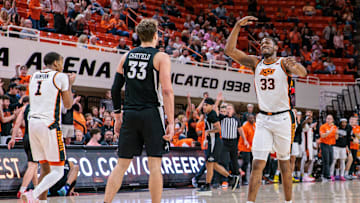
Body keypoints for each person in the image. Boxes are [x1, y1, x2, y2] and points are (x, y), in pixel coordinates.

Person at [225, 16, 307, 203]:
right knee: (257, 164)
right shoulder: (256, 63)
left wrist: (295, 65)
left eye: (268, 43)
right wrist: (237, 25)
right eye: (261, 43)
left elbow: (303, 73)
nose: (263, 45)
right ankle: (250, 201)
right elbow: (229, 50)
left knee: (285, 164)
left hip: (284, 119)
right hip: (263, 119)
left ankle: (288, 201)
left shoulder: (283, 63)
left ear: (276, 48)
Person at [103, 19, 174, 203]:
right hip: (151, 113)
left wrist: (117, 116)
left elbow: (115, 89)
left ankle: (106, 202)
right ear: (156, 35)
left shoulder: (126, 56)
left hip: (130, 114)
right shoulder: (161, 57)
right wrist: (171, 122)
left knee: (121, 165)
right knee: (155, 164)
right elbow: (166, 90)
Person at [21, 52, 75, 202]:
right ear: (57, 63)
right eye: (62, 61)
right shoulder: (60, 76)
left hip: (32, 124)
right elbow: (69, 104)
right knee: (58, 171)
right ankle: (33, 193)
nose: (63, 65)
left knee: (45, 168)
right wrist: (70, 84)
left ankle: (42, 201)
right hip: (49, 125)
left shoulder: (34, 76)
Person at [196, 98, 240, 193]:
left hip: (215, 141)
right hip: (211, 141)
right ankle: (231, 178)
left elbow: (218, 128)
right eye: (204, 105)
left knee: (210, 164)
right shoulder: (208, 114)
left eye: (206, 105)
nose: (204, 107)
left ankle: (207, 185)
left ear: (211, 106)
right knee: (212, 164)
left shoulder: (212, 114)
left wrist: (208, 132)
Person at [7, 99, 39, 199]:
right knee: (33, 165)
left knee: (33, 164)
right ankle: (22, 190)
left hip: (26, 138)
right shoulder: (41, 106)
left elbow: (17, 124)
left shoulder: (25, 108)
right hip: (35, 137)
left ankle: (37, 189)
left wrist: (13, 138)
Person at [319, 114, 338, 181]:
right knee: (326, 160)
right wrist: (330, 131)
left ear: (332, 120)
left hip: (331, 145)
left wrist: (336, 133)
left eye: (330, 118)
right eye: (327, 118)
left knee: (331, 160)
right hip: (324, 144)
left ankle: (324, 173)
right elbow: (323, 136)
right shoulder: (323, 126)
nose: (328, 120)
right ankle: (326, 175)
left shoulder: (334, 127)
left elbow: (336, 138)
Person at [239, 114, 256, 185]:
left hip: (253, 148)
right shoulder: (245, 127)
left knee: (253, 163)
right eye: (250, 118)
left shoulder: (255, 125)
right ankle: (244, 179)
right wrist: (249, 147)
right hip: (245, 147)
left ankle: (252, 179)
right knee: (246, 163)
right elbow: (244, 139)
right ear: (247, 119)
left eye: (252, 118)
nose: (251, 119)